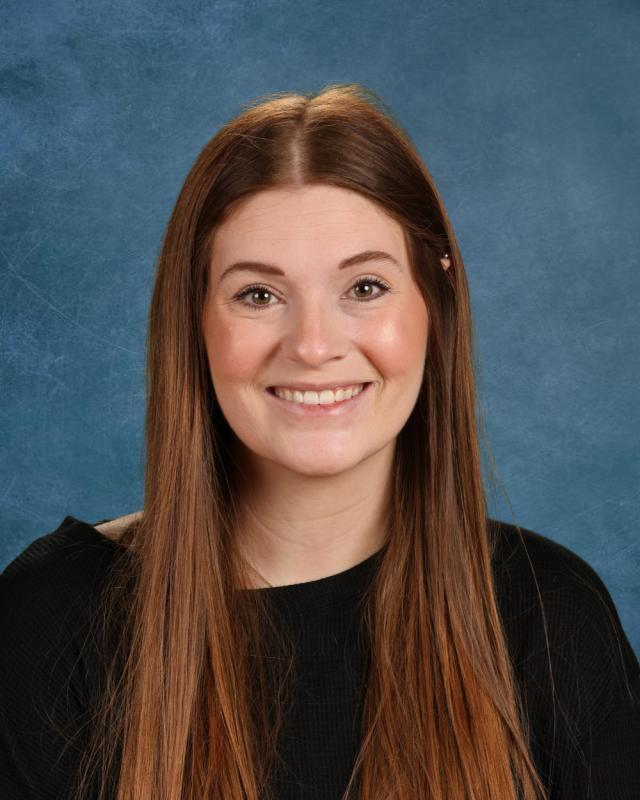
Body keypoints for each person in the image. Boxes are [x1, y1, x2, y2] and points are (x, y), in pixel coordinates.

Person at [1, 83, 639, 800]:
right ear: (193, 319)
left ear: (437, 300)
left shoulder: (550, 616)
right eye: (258, 295)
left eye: (364, 288)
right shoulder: (50, 619)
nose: (312, 346)